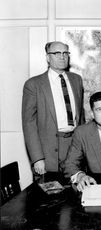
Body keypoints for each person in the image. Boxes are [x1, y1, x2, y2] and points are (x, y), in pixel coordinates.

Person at [22, 41, 85, 176]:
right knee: (48, 193)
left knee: (76, 191)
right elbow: (29, 124)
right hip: (48, 151)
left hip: (74, 146)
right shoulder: (34, 84)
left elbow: (81, 118)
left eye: (65, 53)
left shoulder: (77, 80)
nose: (62, 57)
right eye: (57, 53)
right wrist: (37, 158)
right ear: (47, 57)